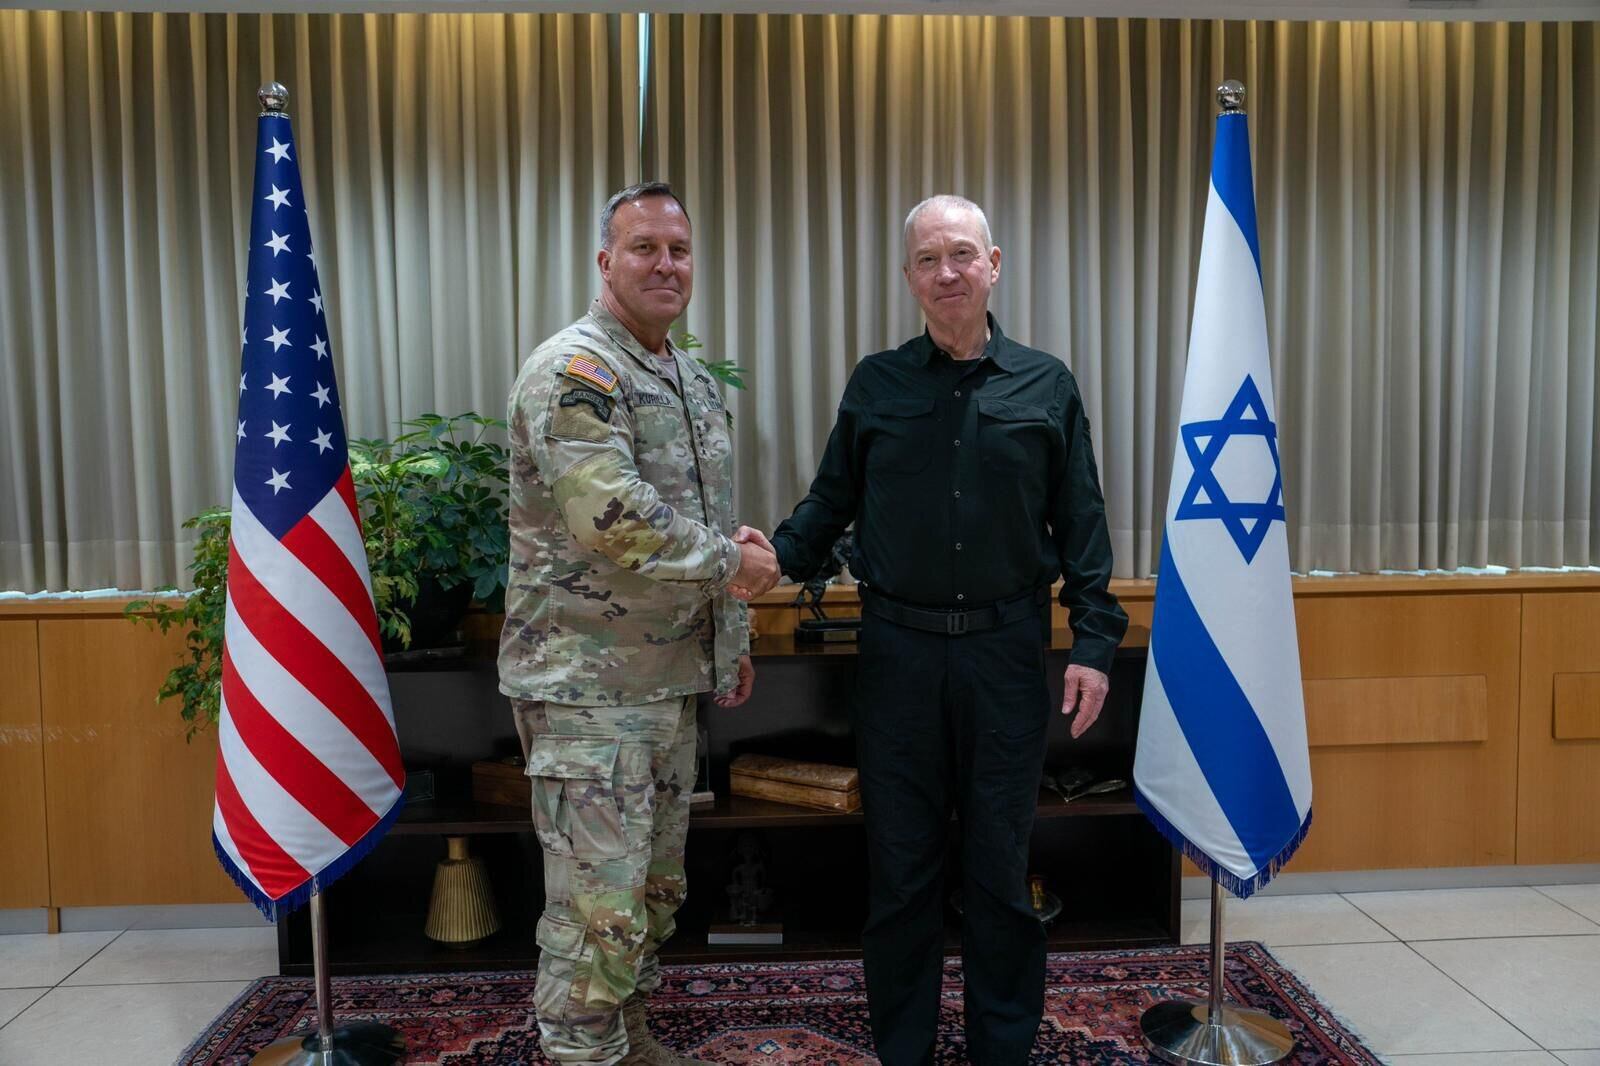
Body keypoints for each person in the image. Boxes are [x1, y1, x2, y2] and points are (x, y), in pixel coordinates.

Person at [734, 195, 1128, 1065]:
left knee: (998, 871)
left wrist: (1095, 645)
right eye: (926, 260)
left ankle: (1002, 1049)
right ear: (909, 276)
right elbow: (829, 500)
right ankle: (904, 1050)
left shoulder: (1047, 384)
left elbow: (1086, 528)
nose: (945, 273)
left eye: (960, 255)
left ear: (994, 263)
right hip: (899, 656)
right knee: (902, 874)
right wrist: (771, 560)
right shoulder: (878, 382)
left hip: (1008, 656)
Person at [500, 181, 779, 1066]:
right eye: (645, 247)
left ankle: (631, 1044)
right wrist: (738, 564)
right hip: (588, 694)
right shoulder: (576, 371)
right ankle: (584, 1052)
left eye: (679, 250)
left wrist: (726, 643)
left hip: (663, 687)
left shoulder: (686, 378)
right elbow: (612, 517)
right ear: (605, 261)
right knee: (596, 913)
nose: (666, 264)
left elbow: (703, 519)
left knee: (652, 895)